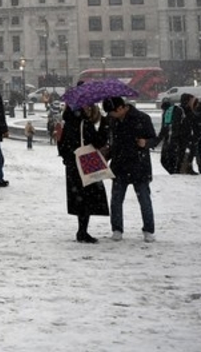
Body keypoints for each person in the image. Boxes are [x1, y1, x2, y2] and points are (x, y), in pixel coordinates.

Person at [101, 97, 157, 241]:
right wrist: (107, 153)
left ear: (120, 108)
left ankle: (149, 230)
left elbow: (154, 140)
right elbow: (111, 141)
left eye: (112, 112)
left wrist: (146, 143)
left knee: (144, 199)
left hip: (139, 165)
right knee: (116, 200)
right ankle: (117, 229)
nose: (110, 116)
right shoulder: (112, 121)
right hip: (119, 165)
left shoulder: (142, 118)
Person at [57, 104, 109, 244]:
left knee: (79, 198)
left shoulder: (66, 122)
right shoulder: (85, 123)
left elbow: (60, 145)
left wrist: (68, 158)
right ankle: (82, 231)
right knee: (88, 196)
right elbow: (98, 142)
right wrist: (104, 124)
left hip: (72, 165)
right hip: (86, 162)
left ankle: (82, 230)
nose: (89, 108)